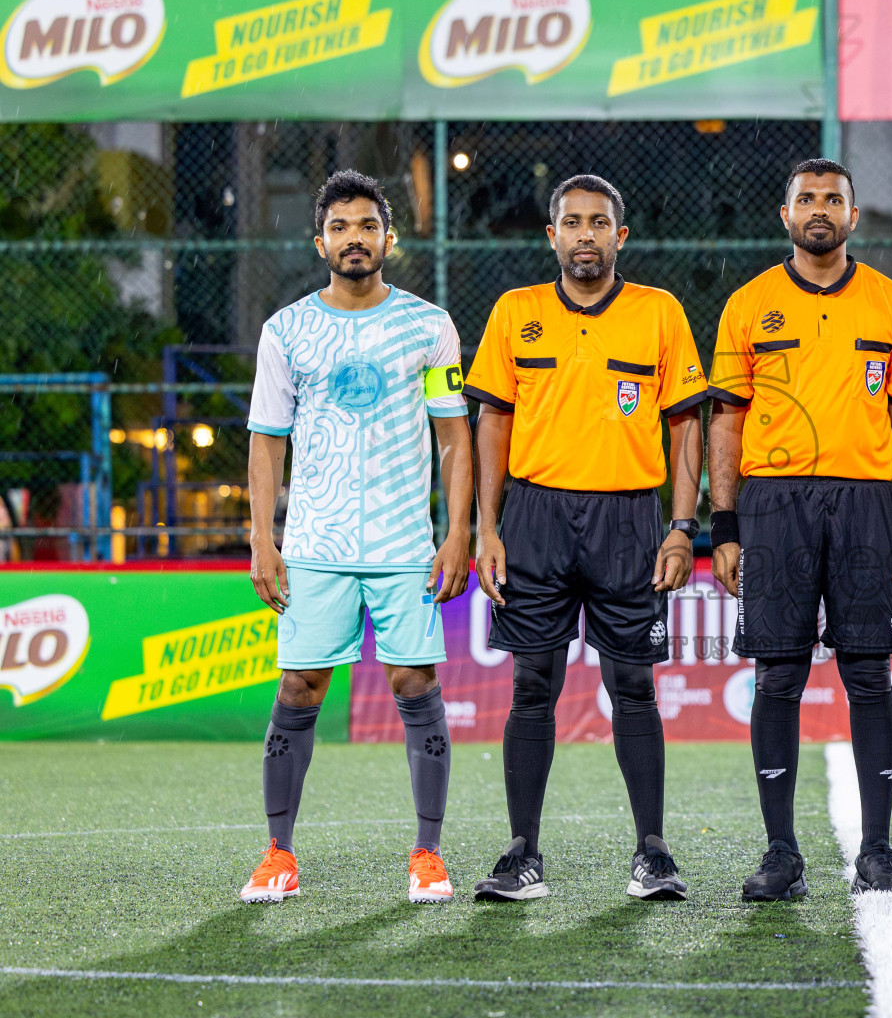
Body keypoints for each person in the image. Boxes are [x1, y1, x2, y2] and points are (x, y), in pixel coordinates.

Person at [465, 174, 706, 903]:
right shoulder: (516, 312)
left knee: (632, 685)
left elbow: (686, 425)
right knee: (531, 685)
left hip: (630, 519)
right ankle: (520, 853)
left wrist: (681, 527)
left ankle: (653, 852)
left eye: (599, 222)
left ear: (619, 236)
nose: (585, 234)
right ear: (552, 236)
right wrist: (486, 528)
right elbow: (493, 423)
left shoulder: (658, 313)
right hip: (534, 519)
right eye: (572, 222)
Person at [243, 169, 472, 904]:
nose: (353, 238)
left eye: (366, 226)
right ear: (320, 242)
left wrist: (456, 530)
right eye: (339, 227)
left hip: (406, 542)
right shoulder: (286, 330)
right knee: (301, 686)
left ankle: (428, 855)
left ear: (388, 239)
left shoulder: (429, 325)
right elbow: (266, 442)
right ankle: (279, 853)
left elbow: (454, 439)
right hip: (316, 544)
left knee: (416, 683)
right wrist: (261, 538)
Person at [708, 159, 892, 901]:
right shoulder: (749, 304)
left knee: (868, 674)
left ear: (853, 216)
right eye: (807, 198)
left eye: (834, 198)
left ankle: (878, 850)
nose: (820, 209)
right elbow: (727, 420)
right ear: (786, 214)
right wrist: (726, 526)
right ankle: (780, 855)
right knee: (779, 675)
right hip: (774, 504)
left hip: (868, 502)